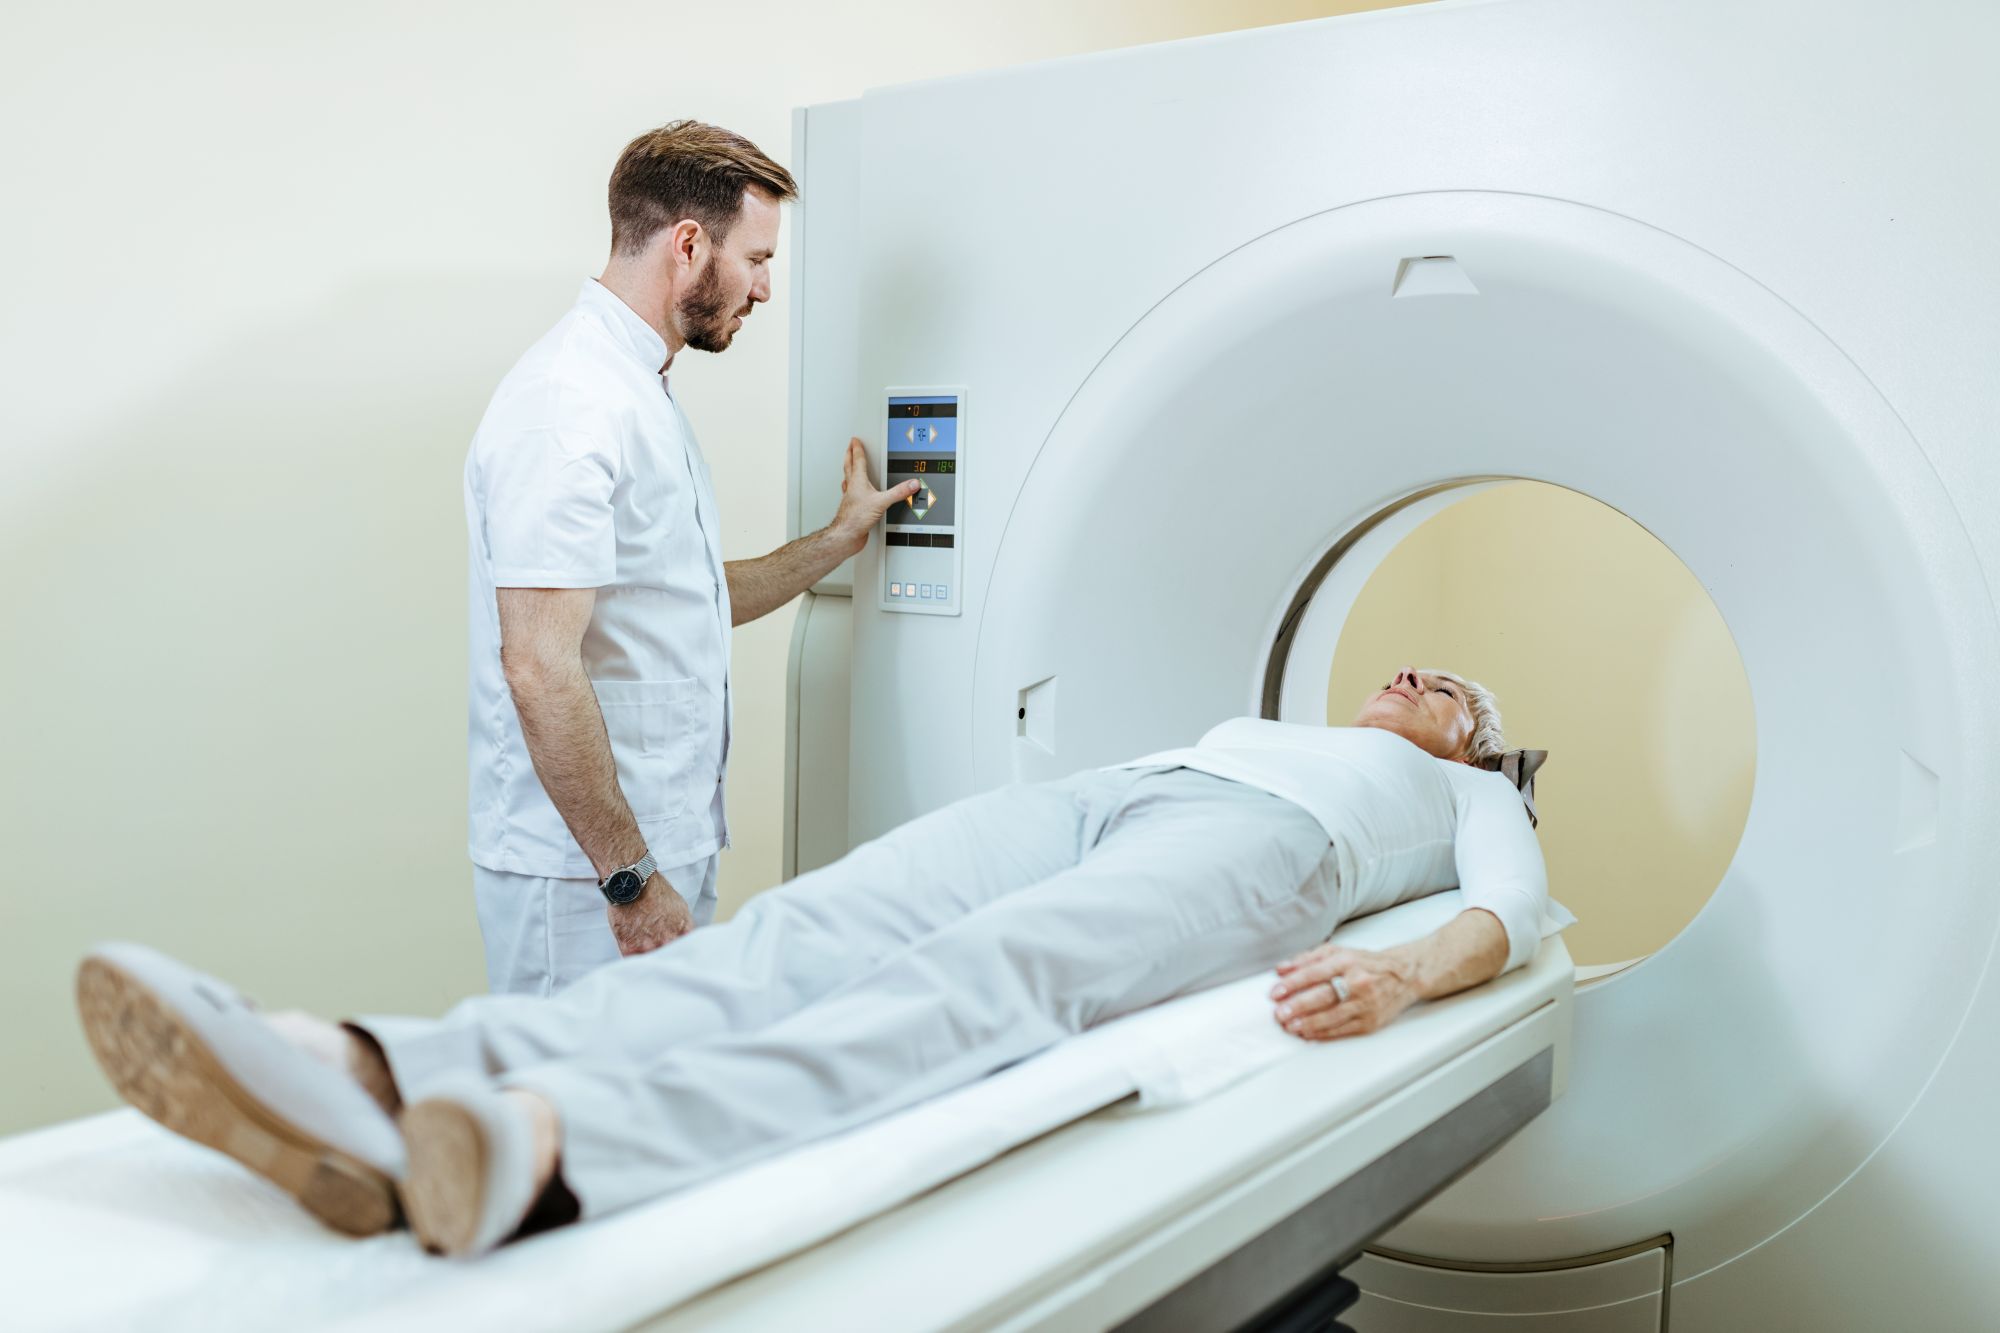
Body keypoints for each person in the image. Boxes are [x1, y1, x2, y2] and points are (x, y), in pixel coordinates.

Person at [76, 667, 1551, 1257]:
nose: (1418, 679)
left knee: (987, 975)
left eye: (1453, 692)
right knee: (808, 927)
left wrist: (1407, 975)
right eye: (1408, 665)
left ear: (1474, 746)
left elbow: (1511, 918)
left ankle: (554, 1146)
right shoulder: (1262, 717)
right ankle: (372, 1067)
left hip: (1263, 854)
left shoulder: (1471, 795)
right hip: (1122, 790)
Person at [464, 120, 917, 995]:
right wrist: (629, 879)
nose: (766, 288)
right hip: (586, 877)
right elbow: (538, 665)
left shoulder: (640, 391)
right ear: (687, 245)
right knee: (580, 1114)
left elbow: (686, 599)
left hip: (655, 847)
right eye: (756, 258)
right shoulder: (570, 404)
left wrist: (838, 540)